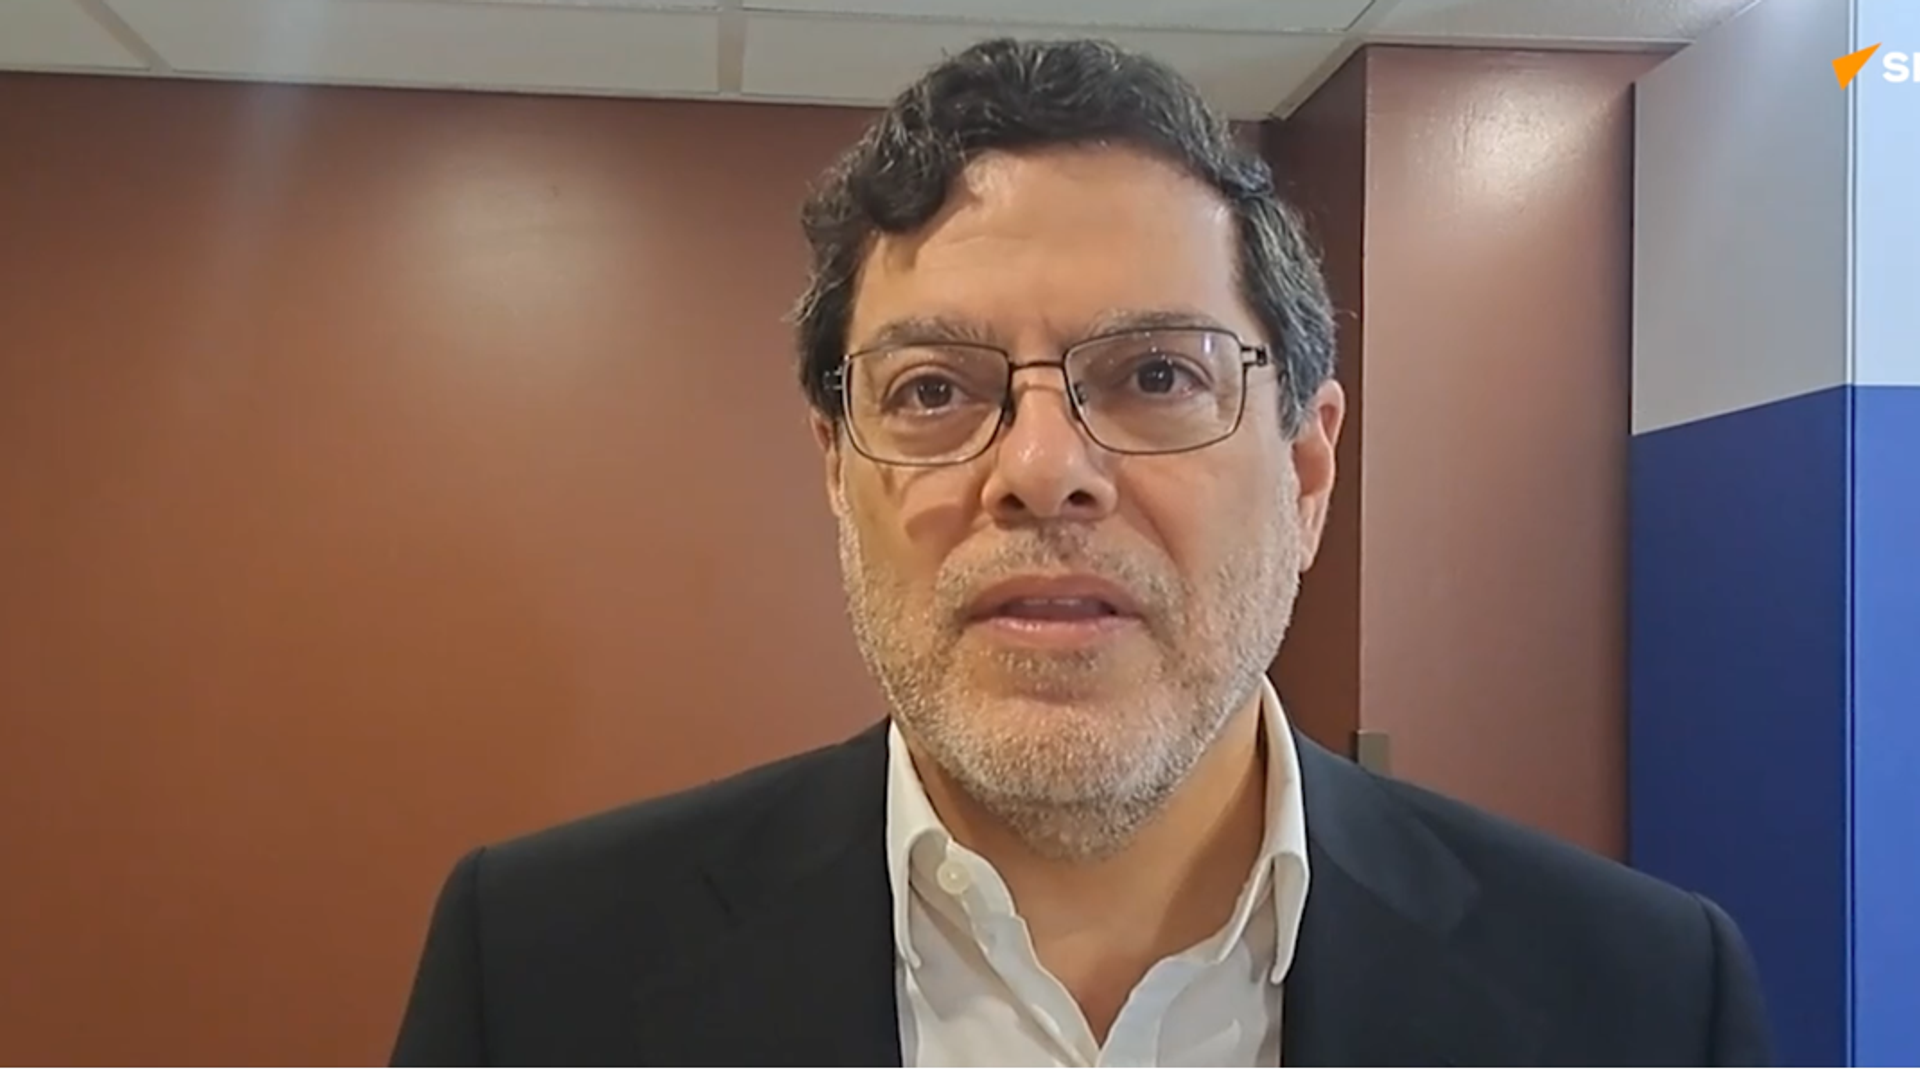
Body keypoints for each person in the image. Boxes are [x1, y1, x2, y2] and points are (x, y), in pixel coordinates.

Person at [389, 37, 1773, 1067]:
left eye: (1157, 375)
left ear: (1306, 472)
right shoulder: (543, 977)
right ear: (838, 475)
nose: (1042, 469)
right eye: (934, 389)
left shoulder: (1645, 1001)